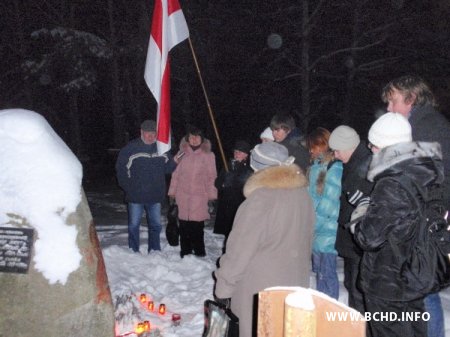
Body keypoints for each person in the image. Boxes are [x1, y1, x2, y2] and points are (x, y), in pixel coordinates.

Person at [353, 112, 444, 337]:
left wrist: (361, 212)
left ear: (387, 147)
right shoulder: (426, 174)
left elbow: (369, 238)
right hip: (414, 274)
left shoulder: (392, 184)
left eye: (374, 145)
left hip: (388, 282)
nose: (371, 150)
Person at [214, 141, 315, 337]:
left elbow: (239, 251)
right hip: (294, 285)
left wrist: (223, 288)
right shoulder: (303, 196)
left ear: (257, 168)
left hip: (259, 288)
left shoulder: (260, 200)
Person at [382, 74, 450, 337]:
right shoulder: (422, 124)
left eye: (393, 102)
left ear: (410, 99)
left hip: (427, 225)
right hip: (421, 223)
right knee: (418, 288)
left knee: (423, 290)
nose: (389, 109)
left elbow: (432, 181)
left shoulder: (427, 128)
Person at [329, 125, 374, 314]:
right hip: (351, 238)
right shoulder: (353, 162)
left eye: (337, 151)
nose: (336, 155)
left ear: (348, 147)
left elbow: (369, 200)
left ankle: (361, 328)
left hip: (359, 241)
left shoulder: (365, 165)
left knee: (358, 290)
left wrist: (354, 196)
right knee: (351, 283)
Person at [115, 120, 176, 253]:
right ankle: (133, 250)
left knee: (156, 225)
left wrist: (175, 162)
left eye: (153, 134)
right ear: (141, 132)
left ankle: (154, 249)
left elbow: (167, 169)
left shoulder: (161, 149)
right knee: (133, 225)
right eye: (148, 133)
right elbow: (121, 171)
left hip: (155, 194)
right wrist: (128, 188)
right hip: (135, 196)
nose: (151, 136)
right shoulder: (130, 149)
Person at [168, 126, 217, 258]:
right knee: (183, 226)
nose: (194, 140)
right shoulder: (181, 153)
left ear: (202, 139)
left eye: (197, 137)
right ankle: (185, 252)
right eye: (191, 137)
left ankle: (200, 253)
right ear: (187, 139)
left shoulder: (208, 155)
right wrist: (172, 193)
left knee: (197, 227)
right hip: (182, 196)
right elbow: (175, 175)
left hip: (199, 197)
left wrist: (212, 196)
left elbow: (211, 177)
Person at [306, 127, 343, 300]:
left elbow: (330, 201)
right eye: (311, 146)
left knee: (327, 273)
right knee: (319, 273)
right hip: (315, 229)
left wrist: (314, 224)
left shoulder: (333, 166)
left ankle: (330, 313)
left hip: (325, 230)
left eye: (316, 146)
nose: (312, 150)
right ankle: (322, 308)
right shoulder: (314, 167)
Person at [213, 140, 253, 251]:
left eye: (240, 152)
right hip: (226, 204)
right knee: (228, 233)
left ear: (246, 155)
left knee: (237, 232)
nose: (236, 154)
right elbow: (217, 183)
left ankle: (234, 254)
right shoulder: (227, 165)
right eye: (235, 151)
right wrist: (224, 182)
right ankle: (226, 253)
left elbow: (247, 186)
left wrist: (234, 181)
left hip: (240, 205)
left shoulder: (249, 169)